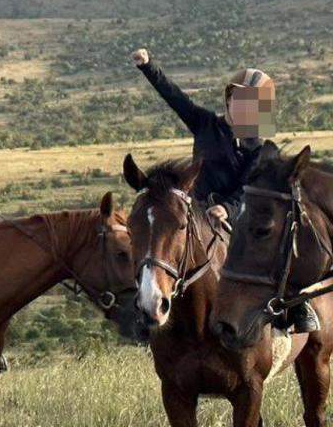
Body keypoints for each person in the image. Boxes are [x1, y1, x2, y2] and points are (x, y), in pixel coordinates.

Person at [131, 48, 316, 332]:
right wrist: (147, 66)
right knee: (156, 245)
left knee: (273, 245)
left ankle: (292, 308)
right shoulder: (204, 123)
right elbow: (174, 97)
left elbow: (250, 186)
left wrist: (227, 208)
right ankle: (145, 306)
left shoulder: (261, 147)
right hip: (195, 211)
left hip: (237, 214)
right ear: (229, 100)